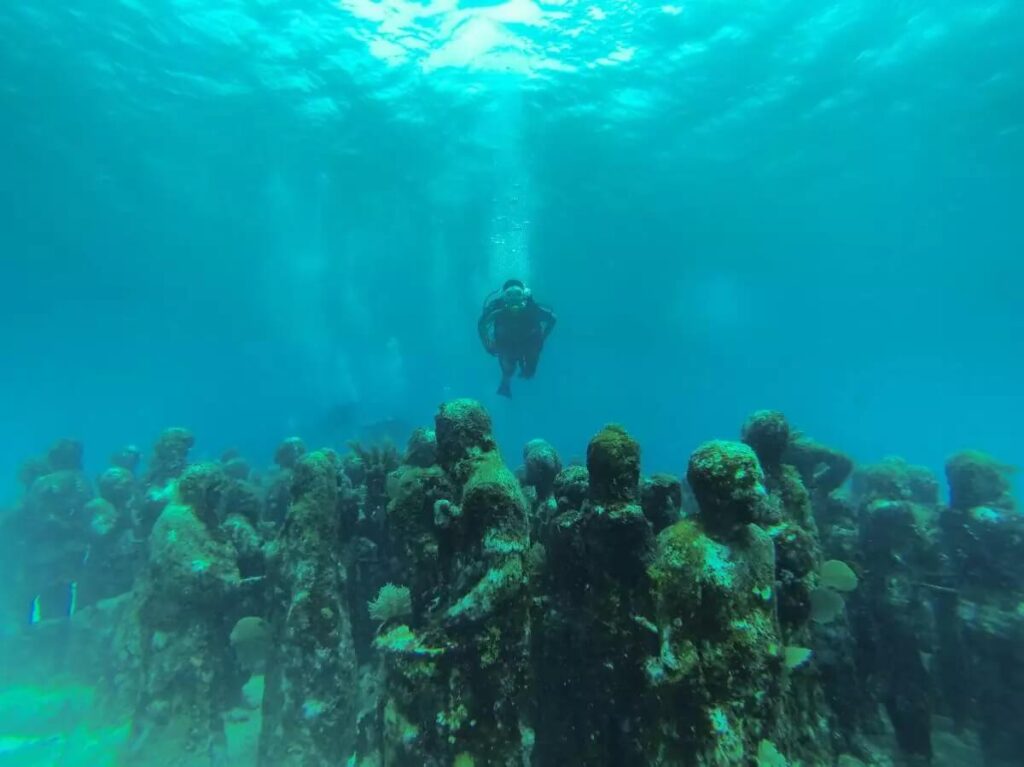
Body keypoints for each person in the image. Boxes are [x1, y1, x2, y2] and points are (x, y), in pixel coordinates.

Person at [478, 279, 557, 397]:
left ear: (524, 296)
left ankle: (524, 376)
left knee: (530, 369)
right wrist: (487, 343)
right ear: (504, 297)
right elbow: (482, 324)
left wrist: (542, 338)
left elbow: (552, 319)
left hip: (529, 343)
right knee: (508, 368)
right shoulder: (497, 310)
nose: (514, 300)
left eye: (518, 295)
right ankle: (505, 384)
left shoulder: (532, 309)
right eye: (509, 296)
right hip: (506, 344)